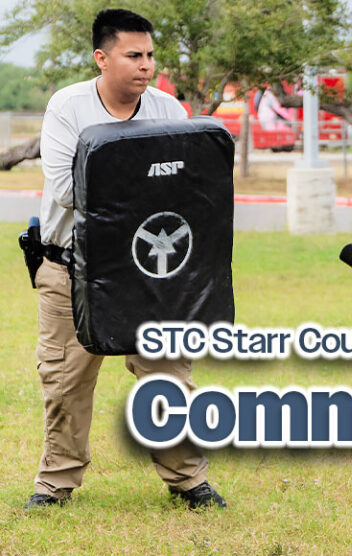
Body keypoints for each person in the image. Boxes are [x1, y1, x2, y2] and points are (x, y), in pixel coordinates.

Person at [27, 8, 225, 510]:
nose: (146, 66)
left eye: (150, 55)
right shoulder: (67, 108)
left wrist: (134, 183)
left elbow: (191, 193)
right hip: (71, 268)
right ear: (102, 58)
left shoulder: (168, 111)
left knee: (169, 376)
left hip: (149, 270)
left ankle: (189, 481)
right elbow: (70, 190)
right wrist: (148, 180)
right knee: (66, 381)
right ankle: (56, 485)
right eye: (133, 55)